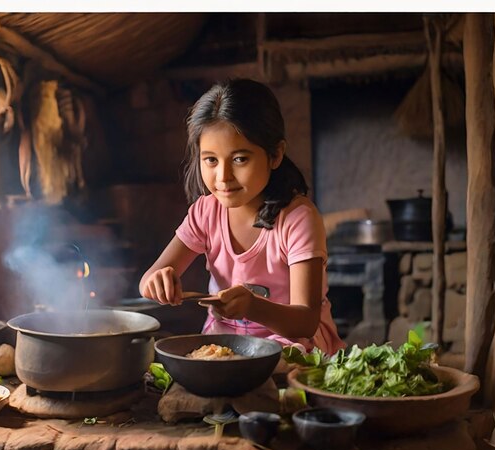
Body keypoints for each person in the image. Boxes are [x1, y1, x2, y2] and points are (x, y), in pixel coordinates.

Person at [139, 78, 345, 355]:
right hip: (222, 346)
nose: (223, 177)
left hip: (293, 348)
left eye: (239, 159)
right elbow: (147, 281)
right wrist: (157, 281)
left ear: (275, 155)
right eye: (210, 160)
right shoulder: (205, 212)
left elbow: (306, 322)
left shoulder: (298, 218)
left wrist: (252, 306)